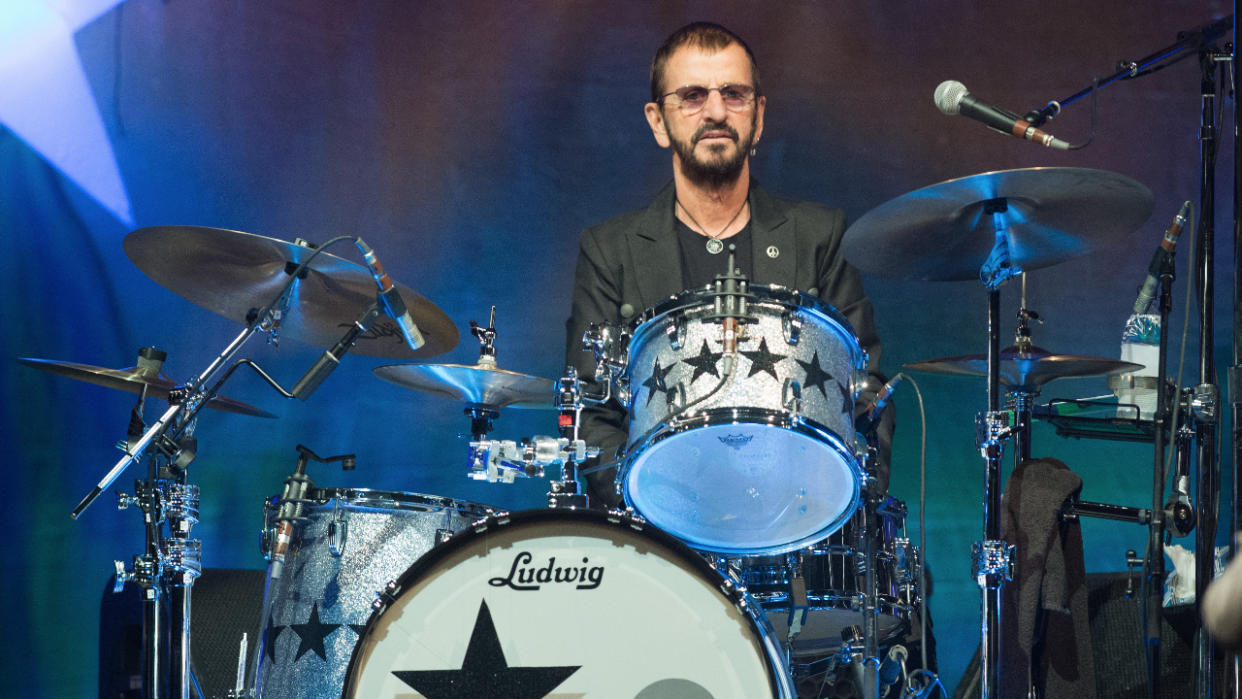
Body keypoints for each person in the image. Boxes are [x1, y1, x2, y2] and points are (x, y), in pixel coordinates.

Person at [564, 21, 892, 511]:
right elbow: (589, 415)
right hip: (660, 535)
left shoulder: (819, 237)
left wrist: (825, 507)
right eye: (692, 95)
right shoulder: (610, 250)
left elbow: (865, 396)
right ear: (658, 121)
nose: (716, 111)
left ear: (758, 116)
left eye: (734, 94)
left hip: (791, 531)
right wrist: (659, 506)